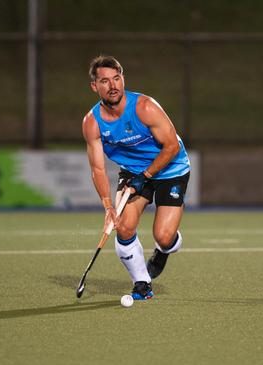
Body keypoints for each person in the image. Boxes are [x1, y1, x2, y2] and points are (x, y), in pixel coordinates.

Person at [82, 55, 191, 300]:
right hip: (133, 172)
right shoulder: (92, 122)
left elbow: (172, 146)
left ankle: (164, 250)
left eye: (117, 79)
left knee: (163, 236)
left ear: (123, 80)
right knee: (123, 225)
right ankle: (142, 283)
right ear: (94, 86)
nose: (112, 86)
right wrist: (108, 205)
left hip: (171, 167)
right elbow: (98, 169)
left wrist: (148, 174)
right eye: (105, 81)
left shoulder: (144, 107)